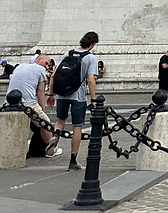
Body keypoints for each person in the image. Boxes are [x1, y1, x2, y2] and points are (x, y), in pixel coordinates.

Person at [51, 32, 100, 172]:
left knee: (60, 120)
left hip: (61, 94)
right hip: (78, 96)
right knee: (77, 127)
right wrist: (93, 99)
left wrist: (51, 93)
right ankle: (73, 161)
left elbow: (55, 74)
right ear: (92, 44)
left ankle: (55, 136)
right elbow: (91, 79)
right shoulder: (90, 58)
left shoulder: (67, 53)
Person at [6, 54, 62, 157]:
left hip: (10, 102)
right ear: (38, 60)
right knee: (46, 124)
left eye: (48, 65)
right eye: (46, 63)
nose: (46, 66)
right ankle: (50, 149)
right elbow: (40, 92)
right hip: (28, 103)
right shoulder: (40, 70)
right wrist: (42, 110)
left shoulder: (20, 66)